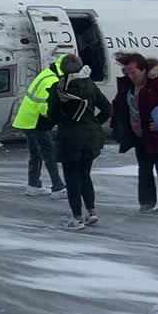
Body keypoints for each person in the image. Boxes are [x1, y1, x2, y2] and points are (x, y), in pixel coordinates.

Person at [112, 52, 158, 213]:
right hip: (139, 135)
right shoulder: (128, 84)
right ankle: (146, 202)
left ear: (143, 70)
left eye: (133, 72)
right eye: (127, 73)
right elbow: (119, 103)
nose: (131, 76)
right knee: (144, 169)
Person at [46, 55, 112, 229]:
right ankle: (91, 212)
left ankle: (77, 218)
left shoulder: (58, 88)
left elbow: (51, 114)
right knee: (85, 175)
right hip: (90, 137)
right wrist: (94, 123)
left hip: (69, 138)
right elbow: (107, 108)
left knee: (72, 178)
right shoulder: (90, 85)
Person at [12, 55, 69, 198]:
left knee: (35, 153)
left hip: (27, 119)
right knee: (49, 152)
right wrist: (57, 118)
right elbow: (44, 106)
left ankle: (33, 184)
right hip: (36, 121)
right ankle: (58, 187)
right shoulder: (52, 80)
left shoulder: (47, 73)